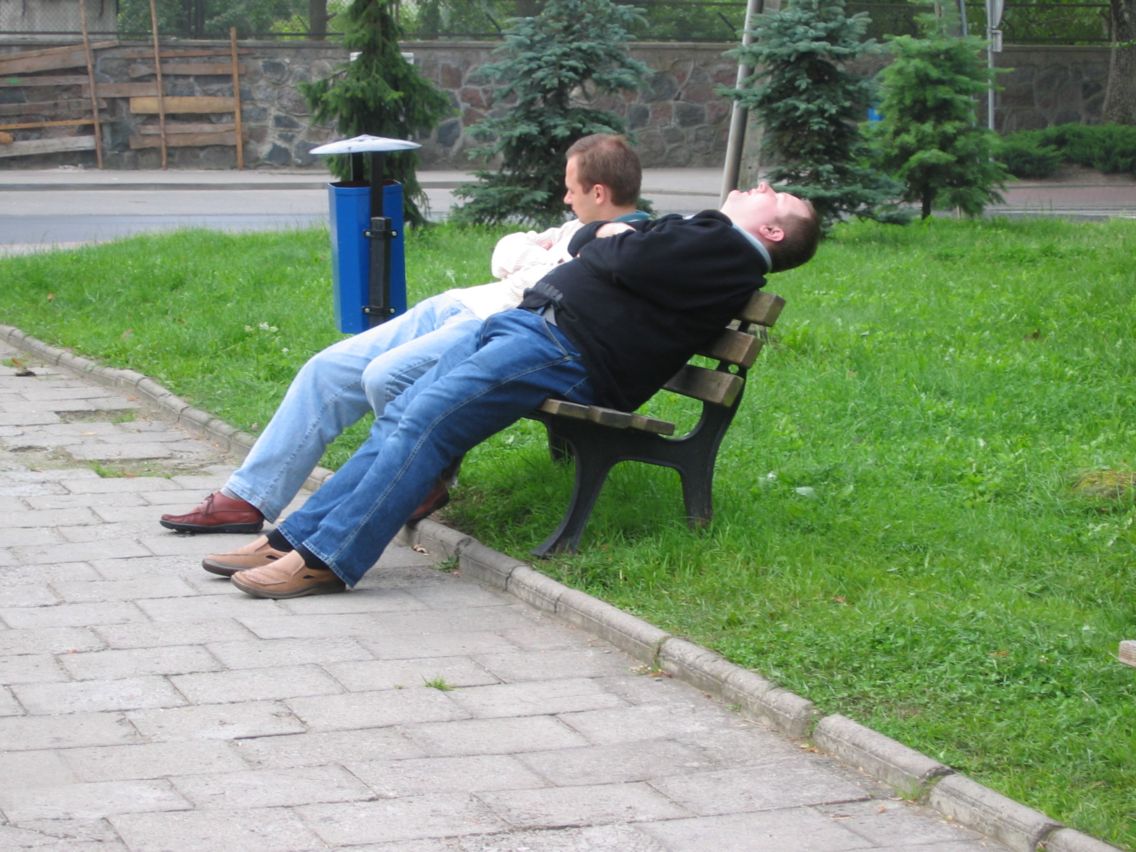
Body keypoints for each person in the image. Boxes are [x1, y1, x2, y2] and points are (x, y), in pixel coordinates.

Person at [224, 182, 820, 599]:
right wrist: (607, 240)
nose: (764, 184)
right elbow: (600, 245)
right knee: (402, 412)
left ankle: (329, 558)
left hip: (564, 349)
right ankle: (294, 539)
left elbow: (617, 254)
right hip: (535, 328)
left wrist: (610, 241)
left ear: (770, 230)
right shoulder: (706, 237)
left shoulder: (726, 249)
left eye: (779, 196)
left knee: (426, 420)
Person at [160, 134, 648, 540]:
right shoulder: (576, 228)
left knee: (385, 378)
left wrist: (538, 253)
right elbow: (503, 253)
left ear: (598, 192)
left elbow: (545, 282)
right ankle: (247, 498)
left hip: (489, 328)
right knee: (325, 370)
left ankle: (425, 477)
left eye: (571, 190)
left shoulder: (630, 243)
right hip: (453, 304)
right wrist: (538, 249)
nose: (565, 199)